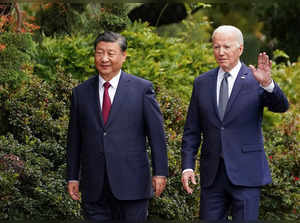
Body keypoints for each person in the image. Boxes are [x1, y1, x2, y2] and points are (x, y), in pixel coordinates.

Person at [181, 25, 289, 220]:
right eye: (216, 47)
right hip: (212, 176)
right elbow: (192, 130)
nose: (221, 52)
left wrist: (268, 85)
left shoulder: (255, 79)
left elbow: (281, 106)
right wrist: (188, 166)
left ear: (240, 49)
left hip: (246, 173)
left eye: (226, 47)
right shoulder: (202, 82)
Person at [67, 31, 168, 221]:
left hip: (133, 184)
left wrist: (160, 172)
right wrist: (72, 176)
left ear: (123, 56)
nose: (104, 58)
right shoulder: (80, 93)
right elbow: (74, 139)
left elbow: (156, 135)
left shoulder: (142, 89)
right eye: (99, 53)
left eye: (110, 53)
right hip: (94, 187)